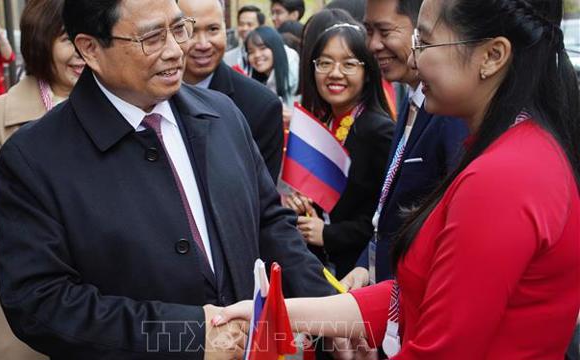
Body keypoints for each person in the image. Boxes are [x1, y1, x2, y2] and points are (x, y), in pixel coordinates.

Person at [218, 0, 580, 358]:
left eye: (423, 42)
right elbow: (413, 297)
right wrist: (275, 314)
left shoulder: (503, 178)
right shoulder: (514, 150)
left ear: (492, 55)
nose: (412, 59)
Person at [0, 0, 334, 358]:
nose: (175, 51)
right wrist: (186, 334)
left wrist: (335, 312)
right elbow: (40, 304)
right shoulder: (35, 158)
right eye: (152, 38)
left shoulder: (222, 116)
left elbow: (269, 224)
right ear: (90, 48)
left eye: (178, 28)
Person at [0, 0, 84, 358]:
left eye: (88, 39)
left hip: (102, 310)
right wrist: (57, 266)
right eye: (67, 40)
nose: (80, 53)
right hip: (17, 308)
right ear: (41, 41)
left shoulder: (122, 110)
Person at [340, 0, 468, 289]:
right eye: (368, 31)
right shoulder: (409, 101)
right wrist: (364, 267)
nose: (373, 45)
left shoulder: (451, 116)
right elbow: (387, 215)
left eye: (384, 32)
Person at [283, 21, 394, 279]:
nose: (335, 73)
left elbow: (386, 219)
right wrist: (304, 204)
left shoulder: (379, 132)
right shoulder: (325, 123)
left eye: (349, 64)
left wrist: (327, 234)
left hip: (358, 275)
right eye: (324, 63)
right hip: (320, 267)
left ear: (367, 72)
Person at [177, 0, 284, 183]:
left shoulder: (261, 106)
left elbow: (261, 199)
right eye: (190, 31)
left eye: (213, 29)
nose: (203, 44)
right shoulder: (150, 97)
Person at [246, 26, 299, 109]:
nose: (257, 55)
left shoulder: (295, 77)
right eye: (251, 52)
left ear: (276, 48)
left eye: (263, 48)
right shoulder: (262, 80)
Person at [223, 5, 265, 74]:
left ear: (261, 27)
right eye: (241, 24)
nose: (244, 28)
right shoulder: (227, 58)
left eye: (250, 24)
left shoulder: (268, 56)